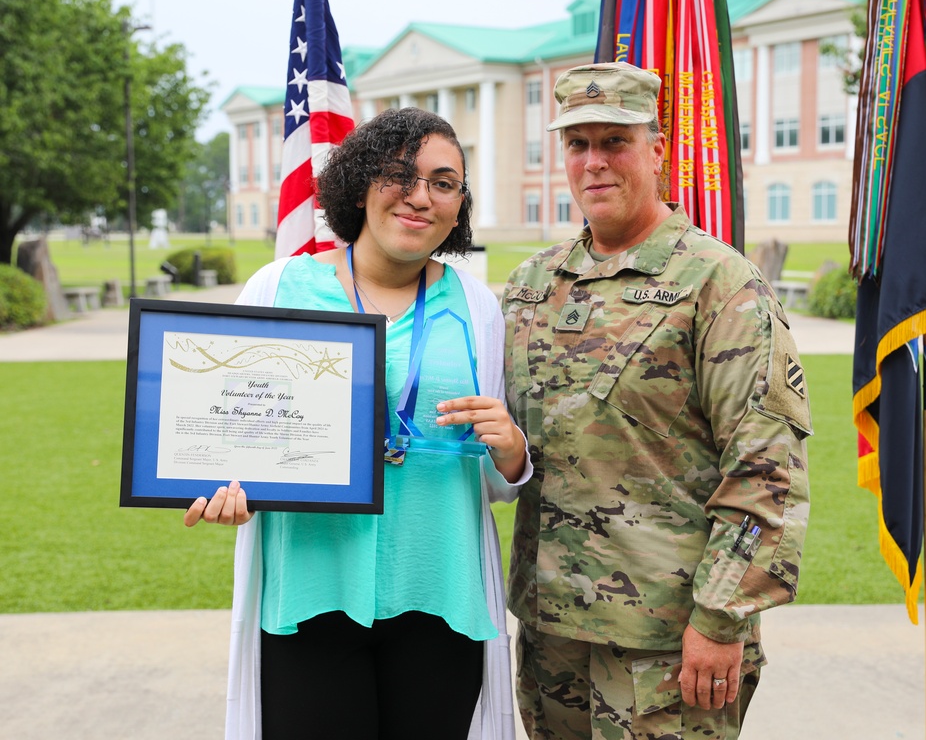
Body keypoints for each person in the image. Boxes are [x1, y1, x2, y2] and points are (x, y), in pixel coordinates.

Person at [184, 107, 530, 740]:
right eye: (401, 174)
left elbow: (499, 479)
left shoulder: (477, 306)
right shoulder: (279, 288)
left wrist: (511, 450)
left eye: (444, 182)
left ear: (459, 204)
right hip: (313, 592)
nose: (420, 196)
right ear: (360, 183)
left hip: (439, 593)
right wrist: (225, 487)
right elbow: (229, 433)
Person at [500, 62, 812, 739]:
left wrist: (720, 618)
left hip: (667, 642)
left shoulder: (720, 284)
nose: (594, 162)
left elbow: (766, 470)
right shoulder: (531, 285)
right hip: (551, 630)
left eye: (615, 140)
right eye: (577, 144)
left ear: (657, 149)